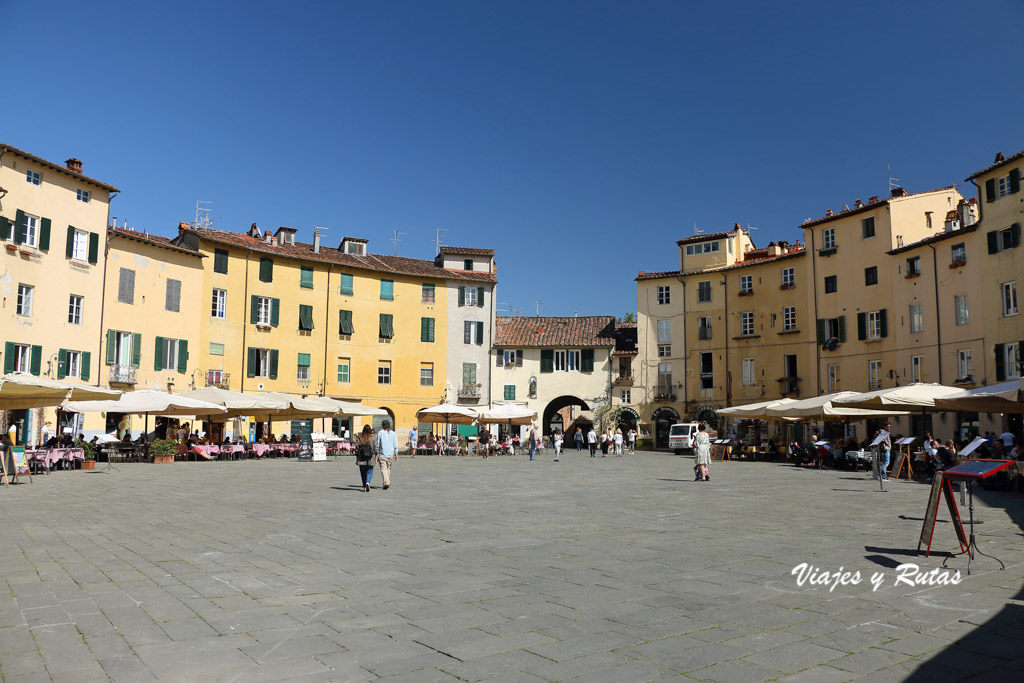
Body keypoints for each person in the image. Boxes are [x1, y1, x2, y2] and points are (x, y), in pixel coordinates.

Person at [376, 420, 398, 491]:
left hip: (383, 453)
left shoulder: (380, 433)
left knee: (383, 469)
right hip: (390, 454)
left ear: (382, 425)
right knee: (388, 469)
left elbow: (378, 444)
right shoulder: (393, 433)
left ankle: (386, 482)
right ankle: (385, 483)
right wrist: (396, 454)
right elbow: (395, 445)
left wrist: (377, 453)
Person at [355, 425, 377, 492]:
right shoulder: (373, 438)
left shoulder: (360, 437)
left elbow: (357, 448)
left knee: (363, 472)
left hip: (361, 458)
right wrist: (376, 458)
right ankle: (368, 482)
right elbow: (376, 449)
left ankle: (364, 486)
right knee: (369, 471)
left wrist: (357, 457)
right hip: (370, 458)